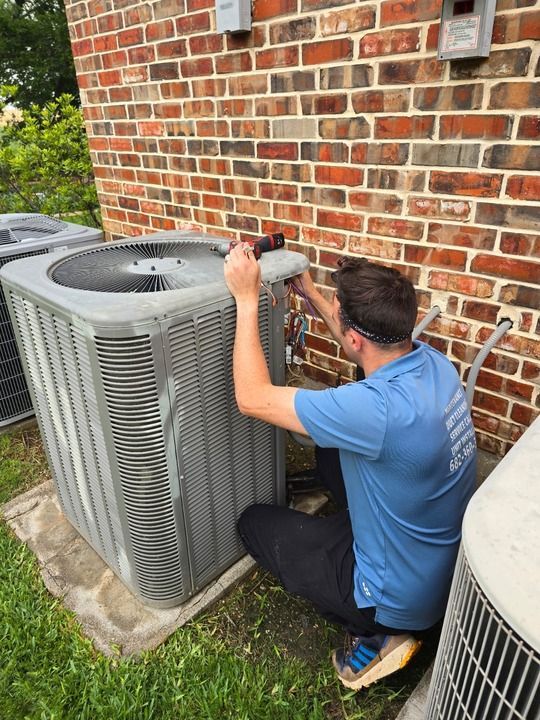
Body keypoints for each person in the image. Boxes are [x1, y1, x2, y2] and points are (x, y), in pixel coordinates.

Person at [223, 243, 477, 690]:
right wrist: (316, 297)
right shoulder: (433, 364)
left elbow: (252, 397)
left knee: (254, 525)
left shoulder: (373, 410)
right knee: (328, 451)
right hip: (440, 566)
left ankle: (379, 637)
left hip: (396, 599)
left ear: (355, 336)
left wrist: (246, 298)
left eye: (339, 313)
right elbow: (363, 347)